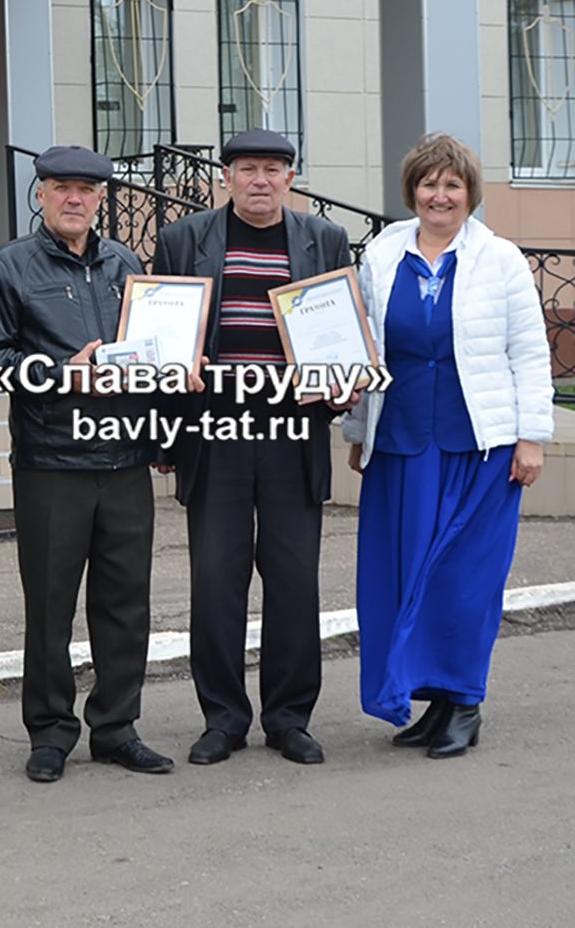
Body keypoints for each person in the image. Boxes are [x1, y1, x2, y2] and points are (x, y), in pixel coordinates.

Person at [344, 133, 554, 758]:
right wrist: (358, 431)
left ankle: (465, 701)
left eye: (452, 185)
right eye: (430, 184)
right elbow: (362, 349)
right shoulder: (382, 255)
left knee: (464, 578)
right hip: (403, 443)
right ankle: (430, 701)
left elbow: (529, 351)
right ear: (413, 192)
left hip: (479, 447)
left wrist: (531, 437)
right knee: (405, 576)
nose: (440, 195)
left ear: (470, 194)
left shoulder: (501, 259)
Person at [152, 128, 352, 767]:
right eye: (247, 169)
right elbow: (162, 337)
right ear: (227, 177)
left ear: (290, 178)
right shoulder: (186, 239)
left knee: (293, 581)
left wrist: (339, 384)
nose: (260, 180)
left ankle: (290, 717)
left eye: (272, 169)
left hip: (294, 431)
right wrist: (164, 425)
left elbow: (343, 334)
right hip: (215, 432)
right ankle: (223, 718)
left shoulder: (324, 240)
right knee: (217, 580)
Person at [0, 145, 175, 783]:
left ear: (100, 199)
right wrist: (65, 375)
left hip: (125, 455)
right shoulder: (10, 266)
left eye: (87, 190)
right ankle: (50, 731)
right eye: (62, 187)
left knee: (126, 603)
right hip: (53, 460)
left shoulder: (125, 262)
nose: (74, 199)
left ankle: (117, 726)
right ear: (40, 194)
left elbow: (157, 349)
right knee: (50, 604)